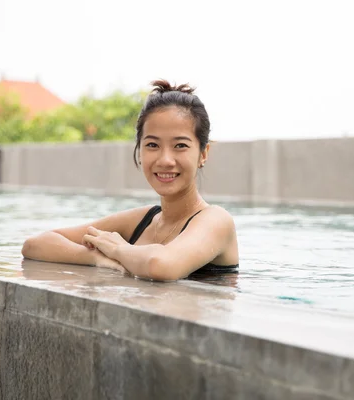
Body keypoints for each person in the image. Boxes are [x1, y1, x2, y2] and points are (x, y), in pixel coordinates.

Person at [21, 80, 239, 281]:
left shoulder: (217, 221)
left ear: (203, 153)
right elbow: (35, 244)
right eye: (152, 145)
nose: (165, 160)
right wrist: (95, 258)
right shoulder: (141, 220)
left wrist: (117, 249)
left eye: (180, 145)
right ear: (140, 150)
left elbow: (160, 265)